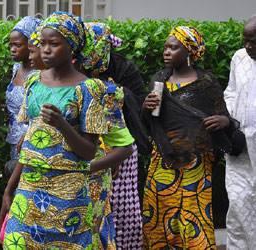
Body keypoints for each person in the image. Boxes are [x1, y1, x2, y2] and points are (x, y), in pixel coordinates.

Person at [0, 12, 107, 248]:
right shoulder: (34, 82)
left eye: (54, 44)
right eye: (42, 43)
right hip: (30, 186)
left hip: (68, 192)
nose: (45, 49)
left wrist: (63, 125)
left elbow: (89, 152)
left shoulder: (90, 89)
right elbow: (29, 141)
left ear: (72, 47)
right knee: (15, 243)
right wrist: (10, 189)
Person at [142, 26, 232, 249]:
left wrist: (224, 122)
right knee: (159, 214)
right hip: (162, 160)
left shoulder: (206, 83)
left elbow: (224, 116)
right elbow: (148, 124)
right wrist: (145, 108)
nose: (166, 52)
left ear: (190, 51)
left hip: (197, 164)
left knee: (194, 215)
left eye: (173, 47)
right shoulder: (159, 80)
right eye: (165, 47)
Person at [81, 22, 144, 249]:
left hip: (117, 151)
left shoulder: (121, 70)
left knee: (123, 214)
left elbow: (138, 103)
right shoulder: (74, 75)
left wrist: (116, 91)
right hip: (91, 156)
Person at [223, 15, 256, 249]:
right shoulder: (239, 58)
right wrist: (232, 121)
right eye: (245, 40)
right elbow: (230, 92)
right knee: (238, 205)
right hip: (240, 150)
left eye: (253, 41)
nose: (248, 46)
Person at [5, 16, 42, 176]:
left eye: (18, 45)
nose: (13, 49)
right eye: (11, 45)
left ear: (31, 44)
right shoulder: (16, 68)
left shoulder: (40, 74)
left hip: (33, 142)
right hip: (14, 140)